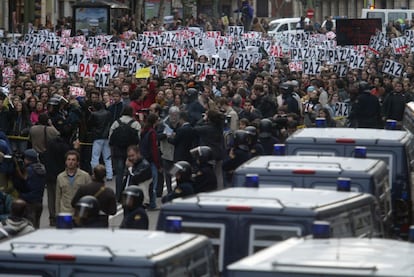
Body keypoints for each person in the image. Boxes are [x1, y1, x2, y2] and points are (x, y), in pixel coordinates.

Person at [109, 105, 141, 201]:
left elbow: (110, 137)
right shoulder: (135, 124)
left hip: (118, 152)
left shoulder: (116, 123)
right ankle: (130, 194)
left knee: (119, 175)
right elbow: (139, 139)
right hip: (131, 152)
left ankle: (118, 195)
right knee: (131, 173)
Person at [13, 149, 46, 229]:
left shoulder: (28, 171)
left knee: (29, 228)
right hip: (38, 202)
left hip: (28, 203)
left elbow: (20, 184)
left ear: (28, 159)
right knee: (36, 226)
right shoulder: (42, 168)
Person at [56, 150, 92, 215]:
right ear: (65, 162)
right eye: (69, 159)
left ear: (77, 162)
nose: (70, 162)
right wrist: (57, 214)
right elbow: (58, 197)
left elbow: (90, 196)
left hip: (80, 212)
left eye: (73, 160)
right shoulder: (60, 177)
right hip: (65, 212)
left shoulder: (85, 176)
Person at [139, 113, 161, 209]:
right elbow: (154, 149)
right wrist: (158, 164)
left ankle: (146, 201)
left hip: (144, 159)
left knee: (146, 183)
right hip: (151, 160)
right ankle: (152, 203)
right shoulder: (152, 132)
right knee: (153, 183)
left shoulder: (144, 131)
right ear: (155, 121)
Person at [88, 101, 113, 180]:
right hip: (106, 136)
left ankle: (96, 174)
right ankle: (109, 175)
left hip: (97, 137)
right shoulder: (108, 113)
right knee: (107, 157)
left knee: (95, 157)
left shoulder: (94, 114)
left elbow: (89, 123)